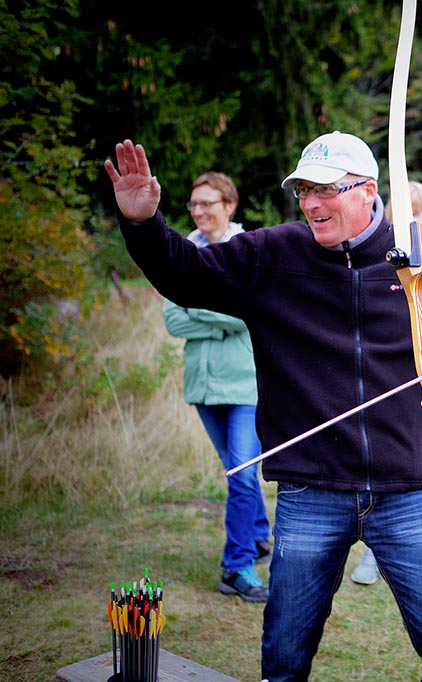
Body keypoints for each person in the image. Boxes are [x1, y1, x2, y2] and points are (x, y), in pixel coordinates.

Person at [104, 132, 422, 680]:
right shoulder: (271, 255)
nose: (311, 203)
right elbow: (184, 275)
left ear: (367, 190)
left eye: (325, 190)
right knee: (285, 654)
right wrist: (143, 224)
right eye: (303, 192)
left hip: (409, 490)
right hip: (310, 489)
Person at [161, 172, 272, 602]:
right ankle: (260, 535)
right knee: (237, 471)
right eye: (193, 204)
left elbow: (250, 313)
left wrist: (199, 308)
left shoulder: (248, 252)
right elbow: (173, 319)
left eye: (208, 203)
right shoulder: (182, 254)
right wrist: (220, 313)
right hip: (204, 387)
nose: (199, 212)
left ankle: (237, 567)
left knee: (242, 475)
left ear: (229, 205)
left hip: (245, 385)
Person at [352, 180, 422, 587]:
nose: (417, 220)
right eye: (409, 213)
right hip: (389, 380)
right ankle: (372, 553)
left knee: (413, 468)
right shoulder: (384, 264)